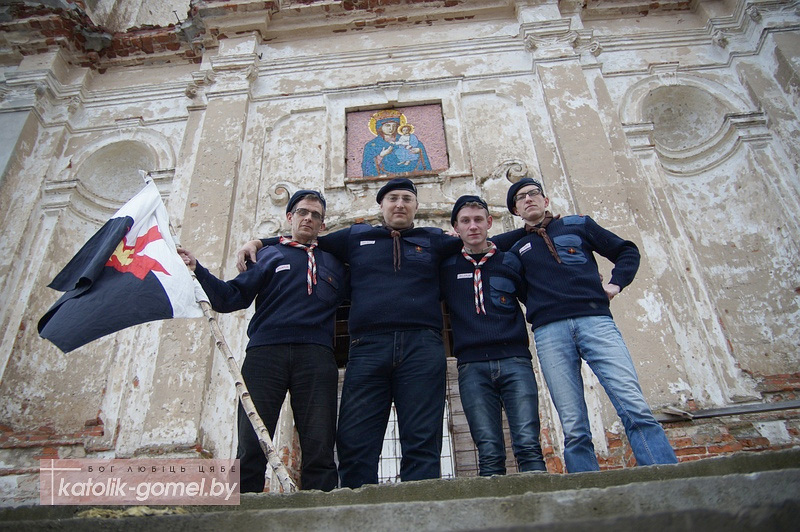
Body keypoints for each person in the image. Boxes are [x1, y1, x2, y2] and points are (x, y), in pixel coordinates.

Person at [238, 178, 465, 489]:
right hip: (367, 348)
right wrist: (259, 242)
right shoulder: (356, 236)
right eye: (392, 198)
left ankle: (418, 506)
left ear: (416, 206)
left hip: (422, 346)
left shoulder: (434, 239)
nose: (399, 204)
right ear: (381, 205)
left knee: (422, 437)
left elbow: (481, 242)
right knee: (356, 438)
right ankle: (358, 507)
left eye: (407, 199)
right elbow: (304, 238)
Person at [178, 190, 347, 492]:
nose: (308, 218)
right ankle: (245, 506)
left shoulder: (335, 262)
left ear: (323, 225)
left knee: (320, 443)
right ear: (290, 217)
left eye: (316, 215)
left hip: (317, 357)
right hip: (265, 355)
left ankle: (321, 508)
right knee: (252, 440)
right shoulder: (269, 255)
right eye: (302, 212)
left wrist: (258, 240)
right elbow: (231, 297)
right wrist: (197, 269)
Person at [506, 177, 678, 473]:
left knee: (633, 405)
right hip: (549, 333)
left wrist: (615, 284)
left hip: (595, 322)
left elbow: (626, 250)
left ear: (546, 200)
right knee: (572, 425)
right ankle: (588, 488)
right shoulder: (515, 246)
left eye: (534, 193)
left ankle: (666, 477)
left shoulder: (578, 225)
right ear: (516, 211)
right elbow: (476, 244)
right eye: (521, 198)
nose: (528, 199)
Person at [440, 195, 547, 476]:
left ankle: (541, 502)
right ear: (456, 228)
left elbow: (536, 297)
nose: (473, 226)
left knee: (528, 445)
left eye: (478, 220)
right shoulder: (446, 267)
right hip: (472, 367)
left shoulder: (510, 261)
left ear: (489, 223)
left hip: (515, 362)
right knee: (488, 452)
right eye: (465, 221)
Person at [361, 110, 431, 176]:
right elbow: (367, 167)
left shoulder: (408, 139)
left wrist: (419, 150)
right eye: (387, 125)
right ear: (380, 127)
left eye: (394, 126)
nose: (391, 128)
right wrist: (380, 156)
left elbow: (424, 160)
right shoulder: (371, 145)